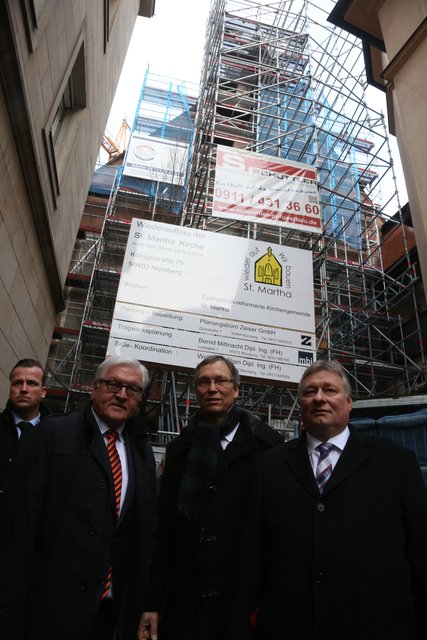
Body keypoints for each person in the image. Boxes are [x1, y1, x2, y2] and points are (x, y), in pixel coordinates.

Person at [244, 359, 427, 639]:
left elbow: (420, 549)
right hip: (290, 625)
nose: (319, 398)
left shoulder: (396, 463)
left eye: (329, 390)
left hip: (375, 625)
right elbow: (252, 550)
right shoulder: (268, 465)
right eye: (309, 392)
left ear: (349, 402)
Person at [0, 356, 158, 640]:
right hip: (48, 610)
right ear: (94, 388)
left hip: (108, 614)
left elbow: (143, 535)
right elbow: (19, 526)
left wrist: (145, 603)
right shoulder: (53, 434)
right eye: (113, 384)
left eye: (132, 390)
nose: (122, 395)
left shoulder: (141, 453)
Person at [141, 355, 282, 640]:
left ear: (236, 389)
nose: (212, 388)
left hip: (242, 602)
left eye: (221, 380)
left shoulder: (268, 448)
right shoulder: (180, 449)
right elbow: (165, 530)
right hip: (185, 603)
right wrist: (153, 603)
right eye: (203, 382)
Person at [0, 358, 49, 498]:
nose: (24, 389)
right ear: (10, 389)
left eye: (32, 383)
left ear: (43, 392)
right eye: (17, 383)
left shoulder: (55, 435)